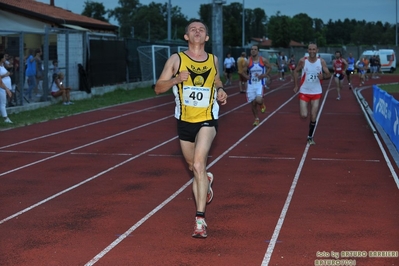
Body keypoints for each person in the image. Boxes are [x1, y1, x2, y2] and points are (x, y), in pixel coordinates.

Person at [154, 19, 227, 238]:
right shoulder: (176, 59)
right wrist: (176, 79)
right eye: (192, 29)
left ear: (206, 37)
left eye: (201, 29)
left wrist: (221, 90)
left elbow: (217, 79)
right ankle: (207, 179)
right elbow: (158, 88)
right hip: (184, 121)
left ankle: (200, 220)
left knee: (197, 164)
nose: (197, 31)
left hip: (208, 118)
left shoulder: (213, 59)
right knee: (194, 168)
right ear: (186, 36)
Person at [293, 43, 331, 145]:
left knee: (313, 115)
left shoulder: (321, 61)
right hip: (304, 91)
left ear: (317, 50)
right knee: (304, 115)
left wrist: (324, 77)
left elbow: (328, 74)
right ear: (308, 50)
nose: (312, 51)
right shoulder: (302, 61)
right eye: (310, 49)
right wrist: (296, 85)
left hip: (316, 92)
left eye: (314, 49)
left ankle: (310, 136)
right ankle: (309, 131)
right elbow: (295, 71)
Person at [245, 45, 272, 126]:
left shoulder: (263, 60)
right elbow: (241, 71)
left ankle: (262, 104)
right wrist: (246, 76)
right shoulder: (248, 61)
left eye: (255, 49)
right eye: (252, 49)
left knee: (258, 100)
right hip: (251, 85)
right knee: (253, 104)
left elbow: (270, 67)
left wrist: (265, 75)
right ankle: (256, 118)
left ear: (258, 51)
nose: (253, 51)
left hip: (260, 84)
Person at [0, 54, 13, 123]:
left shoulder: (2, 66)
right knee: (3, 103)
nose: (5, 59)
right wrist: (5, 75)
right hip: (2, 87)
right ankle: (5, 118)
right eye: (4, 57)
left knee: (3, 102)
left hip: (5, 87)